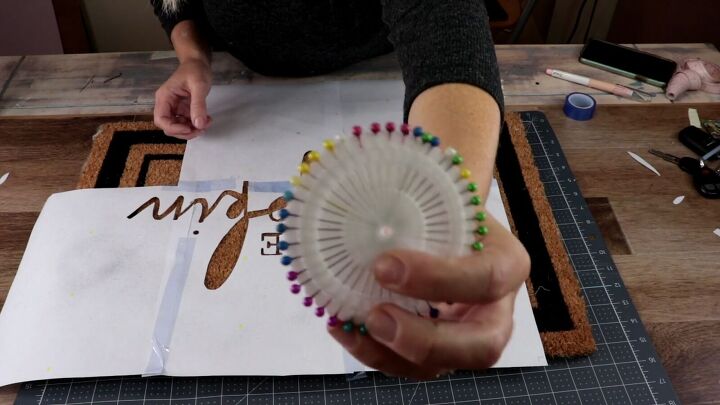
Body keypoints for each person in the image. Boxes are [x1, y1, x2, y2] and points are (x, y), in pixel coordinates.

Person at [151, 0, 530, 379]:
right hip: (242, 79)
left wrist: (448, 200)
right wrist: (192, 56)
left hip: (383, 69)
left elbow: (442, 22)